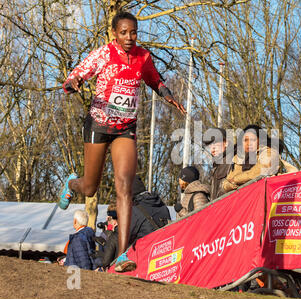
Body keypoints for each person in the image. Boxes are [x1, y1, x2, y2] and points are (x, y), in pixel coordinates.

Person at [58, 11, 185, 273]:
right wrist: (74, 83)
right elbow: (76, 75)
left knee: (125, 188)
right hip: (99, 125)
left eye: (134, 32)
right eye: (124, 32)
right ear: (115, 33)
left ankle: (122, 254)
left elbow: (154, 79)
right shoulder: (103, 54)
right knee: (90, 187)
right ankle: (71, 182)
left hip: (125, 128)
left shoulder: (143, 56)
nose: (129, 37)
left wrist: (167, 94)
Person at [223, 125, 280, 192]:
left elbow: (262, 170)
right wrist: (234, 184)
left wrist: (235, 180)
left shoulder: (270, 152)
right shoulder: (238, 159)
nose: (248, 143)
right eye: (245, 140)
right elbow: (225, 184)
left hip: (264, 196)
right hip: (243, 198)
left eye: (253, 140)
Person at [203, 127, 234, 200]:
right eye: (209, 145)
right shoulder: (216, 166)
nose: (212, 148)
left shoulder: (234, 161)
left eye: (215, 143)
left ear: (226, 143)